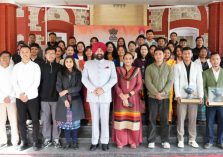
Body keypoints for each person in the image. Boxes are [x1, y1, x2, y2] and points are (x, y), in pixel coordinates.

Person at [82, 42, 117, 151]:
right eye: (97, 50)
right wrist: (93, 89)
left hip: (105, 95)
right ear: (93, 51)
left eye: (101, 50)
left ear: (104, 51)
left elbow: (114, 79)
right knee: (95, 119)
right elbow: (84, 79)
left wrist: (103, 89)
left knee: (105, 119)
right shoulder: (88, 64)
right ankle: (94, 141)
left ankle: (105, 141)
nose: (99, 52)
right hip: (93, 96)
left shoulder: (110, 63)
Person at [12, 45, 41, 151]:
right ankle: (24, 141)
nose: (25, 54)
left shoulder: (35, 66)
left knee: (35, 120)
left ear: (30, 53)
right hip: (19, 97)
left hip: (32, 97)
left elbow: (36, 82)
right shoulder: (16, 67)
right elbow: (14, 82)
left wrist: (26, 94)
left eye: (27, 52)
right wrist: (21, 94)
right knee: (21, 120)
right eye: (22, 52)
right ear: (19, 53)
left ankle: (35, 141)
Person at [174, 47, 203, 148]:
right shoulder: (177, 66)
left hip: (194, 96)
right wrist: (177, 95)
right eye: (185, 53)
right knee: (181, 118)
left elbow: (199, 82)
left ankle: (192, 139)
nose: (187, 55)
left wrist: (201, 96)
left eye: (188, 53)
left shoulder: (197, 66)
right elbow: (176, 81)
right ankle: (180, 139)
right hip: (181, 96)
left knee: (192, 119)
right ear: (181, 54)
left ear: (191, 55)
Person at [145, 48, 174, 149]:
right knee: (151, 119)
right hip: (152, 97)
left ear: (164, 55)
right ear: (154, 55)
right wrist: (156, 93)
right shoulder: (149, 68)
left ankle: (165, 140)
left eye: (160, 54)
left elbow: (170, 82)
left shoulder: (169, 67)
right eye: (156, 54)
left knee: (164, 119)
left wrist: (162, 93)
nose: (158, 56)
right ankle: (151, 140)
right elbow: (148, 83)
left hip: (165, 97)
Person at [112, 52, 143, 149]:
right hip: (120, 98)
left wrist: (129, 94)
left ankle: (133, 141)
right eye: (126, 58)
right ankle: (120, 141)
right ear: (123, 59)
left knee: (133, 120)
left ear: (133, 60)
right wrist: (122, 95)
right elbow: (116, 84)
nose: (128, 60)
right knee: (120, 120)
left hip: (133, 98)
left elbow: (139, 85)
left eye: (130, 58)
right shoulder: (118, 70)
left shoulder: (137, 70)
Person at [56, 56, 84, 150]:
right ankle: (68, 142)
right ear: (64, 63)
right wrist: (64, 100)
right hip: (64, 101)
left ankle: (75, 142)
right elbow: (58, 87)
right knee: (67, 125)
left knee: (75, 124)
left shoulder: (78, 73)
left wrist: (67, 90)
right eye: (67, 61)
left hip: (75, 101)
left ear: (73, 63)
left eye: (70, 61)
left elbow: (79, 87)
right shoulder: (60, 73)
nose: (68, 63)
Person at [40, 47, 62, 148]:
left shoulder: (60, 67)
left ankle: (56, 138)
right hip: (44, 98)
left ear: (56, 54)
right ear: (45, 55)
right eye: (48, 53)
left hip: (56, 98)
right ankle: (47, 138)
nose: (51, 55)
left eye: (53, 53)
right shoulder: (40, 66)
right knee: (46, 119)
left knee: (57, 119)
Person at [203, 53, 223, 149]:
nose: (215, 61)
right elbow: (203, 87)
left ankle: (221, 141)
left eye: (217, 59)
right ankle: (209, 141)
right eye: (213, 59)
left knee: (222, 121)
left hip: (221, 103)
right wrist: (206, 97)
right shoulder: (206, 73)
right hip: (210, 102)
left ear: (220, 60)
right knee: (209, 122)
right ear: (210, 61)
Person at [0, 51, 19, 148]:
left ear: (10, 58)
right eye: (3, 56)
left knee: (13, 120)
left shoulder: (14, 69)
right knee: (1, 121)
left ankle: (15, 141)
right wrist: (3, 96)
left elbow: (16, 84)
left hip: (12, 99)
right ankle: (2, 141)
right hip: (0, 100)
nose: (4, 58)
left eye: (7, 56)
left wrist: (10, 96)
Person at [194, 47, 212, 124]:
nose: (203, 53)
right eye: (202, 51)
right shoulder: (195, 62)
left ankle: (207, 118)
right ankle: (199, 118)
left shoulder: (210, 61)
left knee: (208, 99)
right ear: (199, 53)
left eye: (205, 51)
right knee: (200, 99)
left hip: (208, 83)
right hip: (199, 82)